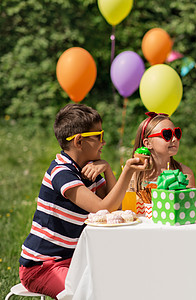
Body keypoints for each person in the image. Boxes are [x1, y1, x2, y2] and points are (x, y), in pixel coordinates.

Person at [19, 103, 147, 299]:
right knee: (85, 293)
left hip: (73, 260)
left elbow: (116, 209)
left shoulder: (90, 170)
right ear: (79, 141)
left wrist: (108, 169)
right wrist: (128, 171)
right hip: (42, 267)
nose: (103, 142)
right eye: (99, 136)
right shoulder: (61, 172)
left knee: (118, 283)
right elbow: (102, 208)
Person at [131, 112, 195, 191]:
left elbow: (190, 202)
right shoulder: (135, 174)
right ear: (147, 143)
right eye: (167, 134)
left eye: (176, 133)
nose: (174, 139)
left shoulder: (184, 173)